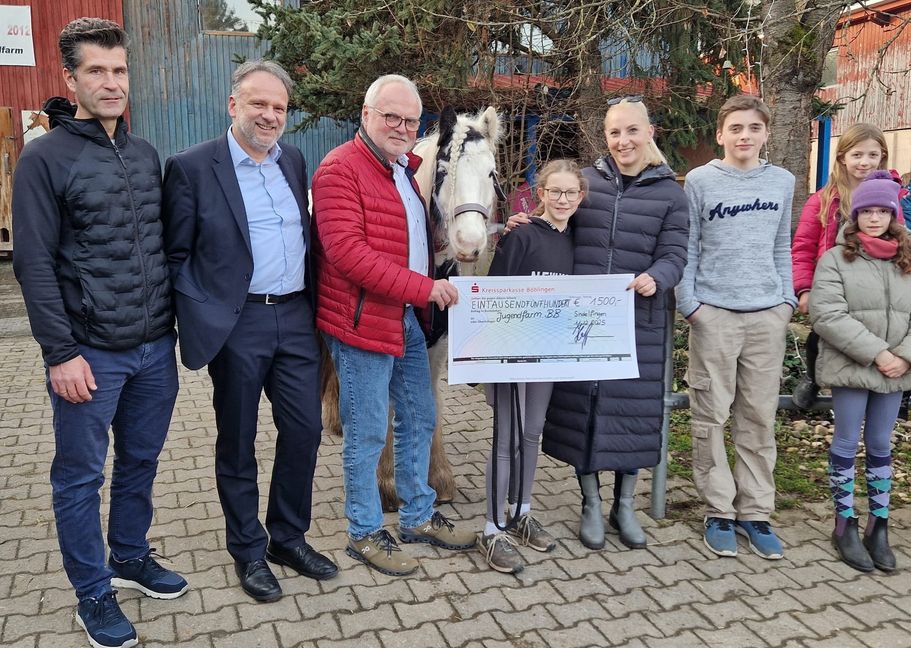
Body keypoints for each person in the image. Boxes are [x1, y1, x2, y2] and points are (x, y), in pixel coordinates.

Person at [12, 17, 187, 648]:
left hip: (152, 349)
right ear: (72, 78)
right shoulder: (43, 160)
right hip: (88, 356)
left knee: (140, 461)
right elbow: (31, 264)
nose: (111, 83)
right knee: (81, 478)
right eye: (96, 71)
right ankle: (93, 593)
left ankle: (130, 556)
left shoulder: (143, 152)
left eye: (119, 70)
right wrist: (61, 353)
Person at [162, 60, 337, 603]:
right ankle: (248, 550)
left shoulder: (294, 161)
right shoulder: (191, 167)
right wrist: (207, 314)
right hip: (239, 324)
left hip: (295, 318)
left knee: (305, 431)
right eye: (258, 104)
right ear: (233, 105)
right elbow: (176, 254)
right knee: (237, 440)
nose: (269, 115)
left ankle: (288, 537)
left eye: (279, 107)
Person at [311, 74, 476, 577]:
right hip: (361, 322)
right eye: (391, 117)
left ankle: (419, 516)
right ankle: (364, 531)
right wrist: (424, 289)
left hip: (403, 317)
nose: (402, 127)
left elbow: (410, 242)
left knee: (419, 417)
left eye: (410, 120)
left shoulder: (405, 170)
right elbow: (348, 255)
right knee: (365, 434)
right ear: (366, 115)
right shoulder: (339, 170)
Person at [529, 98, 688, 552]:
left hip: (639, 320)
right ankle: (590, 502)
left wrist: (656, 278)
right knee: (585, 406)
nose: (624, 141)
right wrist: (531, 225)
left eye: (632, 131)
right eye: (615, 132)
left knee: (630, 412)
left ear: (650, 132)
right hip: (585, 318)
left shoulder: (670, 194)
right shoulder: (588, 184)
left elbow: (676, 255)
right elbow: (559, 224)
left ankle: (625, 505)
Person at [675, 94, 796, 560]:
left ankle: (756, 512)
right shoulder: (701, 182)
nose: (745, 136)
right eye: (736, 128)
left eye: (754, 128)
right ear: (721, 134)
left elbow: (782, 245)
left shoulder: (782, 182)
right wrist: (691, 306)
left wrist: (785, 302)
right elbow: (689, 247)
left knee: (759, 418)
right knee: (711, 417)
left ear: (766, 133)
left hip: (767, 315)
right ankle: (719, 510)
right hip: (715, 315)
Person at [479, 160, 587, 573]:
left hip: (548, 353)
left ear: (580, 198)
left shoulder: (577, 240)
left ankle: (521, 511)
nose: (562, 200)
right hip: (511, 354)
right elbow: (491, 295)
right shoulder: (520, 236)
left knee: (531, 435)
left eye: (570, 193)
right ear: (539, 193)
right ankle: (492, 528)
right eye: (554, 192)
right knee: (504, 438)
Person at [809, 170, 910, 573]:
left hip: (897, 370)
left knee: (883, 443)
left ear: (892, 215)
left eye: (880, 211)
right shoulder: (837, 258)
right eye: (865, 210)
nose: (873, 218)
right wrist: (877, 353)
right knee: (848, 441)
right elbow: (827, 313)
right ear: (854, 214)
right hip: (852, 366)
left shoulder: (907, 259)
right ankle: (844, 522)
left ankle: (878, 524)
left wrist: (903, 355)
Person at [791, 124, 892, 408]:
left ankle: (894, 387)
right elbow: (803, 247)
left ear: (882, 157)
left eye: (873, 155)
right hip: (835, 283)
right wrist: (805, 288)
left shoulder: (892, 197)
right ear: (842, 158)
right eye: (857, 154)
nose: (865, 162)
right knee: (824, 333)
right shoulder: (823, 201)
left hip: (878, 282)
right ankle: (813, 377)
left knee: (886, 331)